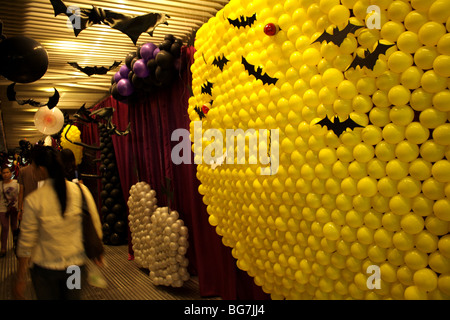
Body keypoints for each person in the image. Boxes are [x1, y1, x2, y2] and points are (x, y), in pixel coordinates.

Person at [14, 146, 103, 300]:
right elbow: (94, 223)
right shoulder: (80, 190)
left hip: (44, 270)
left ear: (42, 169)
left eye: (34, 167)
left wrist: (21, 276)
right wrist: (97, 251)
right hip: (74, 267)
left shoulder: (34, 200)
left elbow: (27, 242)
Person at [17, 146, 47, 221]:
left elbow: (21, 191)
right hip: (43, 206)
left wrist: (20, 209)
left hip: (28, 206)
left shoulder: (23, 171)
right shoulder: (45, 171)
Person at [0, 166, 19, 257]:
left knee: (14, 227)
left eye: (7, 172)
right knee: (4, 227)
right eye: (4, 173)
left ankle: (16, 245)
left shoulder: (16, 183)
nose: (6, 174)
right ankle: (3, 248)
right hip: (3, 208)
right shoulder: (0, 184)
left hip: (14, 208)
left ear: (10, 174)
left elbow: (20, 194)